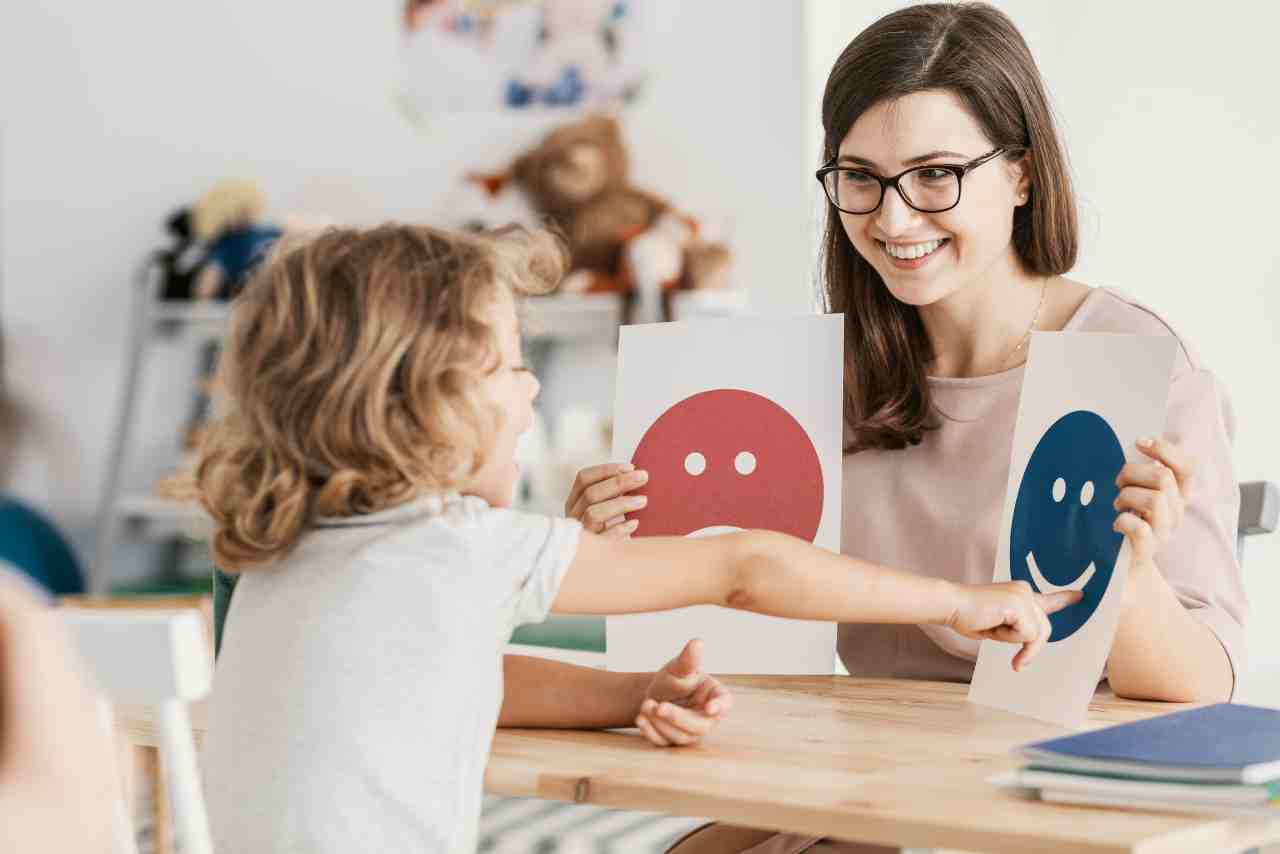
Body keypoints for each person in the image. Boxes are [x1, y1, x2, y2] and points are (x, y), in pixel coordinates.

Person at [568, 4, 1248, 852]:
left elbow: (1202, 693)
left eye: (934, 175)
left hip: (1049, 794)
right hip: (866, 775)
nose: (891, 221)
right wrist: (613, 544)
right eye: (860, 177)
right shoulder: (816, 381)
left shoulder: (1136, 363)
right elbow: (739, 606)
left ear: (1024, 175)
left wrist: (1132, 572)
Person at [195, 222, 1071, 853]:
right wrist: (960, 600)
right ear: (415, 404)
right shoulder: (453, 546)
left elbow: (462, 676)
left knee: (792, 827)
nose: (532, 390)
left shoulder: (287, 554)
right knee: (830, 829)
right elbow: (745, 564)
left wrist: (633, 694)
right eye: (506, 365)